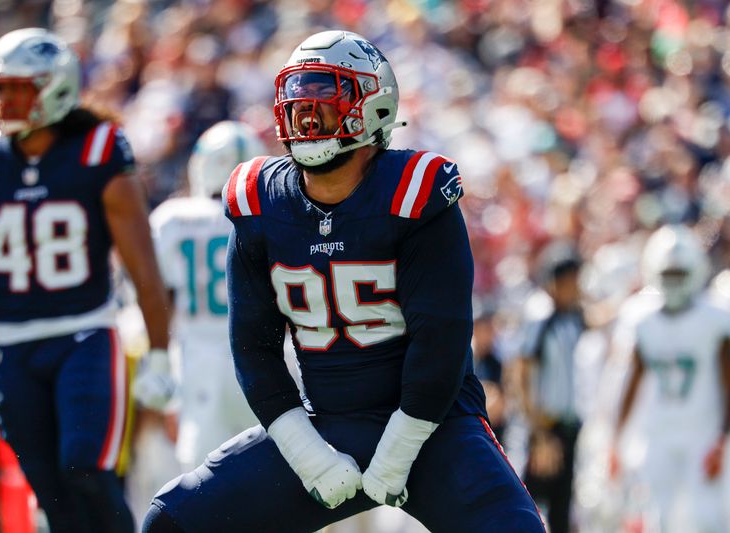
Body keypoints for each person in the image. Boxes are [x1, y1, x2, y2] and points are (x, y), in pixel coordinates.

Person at [144, 30, 544, 533]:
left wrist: (398, 451)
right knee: (171, 522)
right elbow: (253, 349)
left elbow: (441, 342)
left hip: (436, 427)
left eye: (324, 101)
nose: (307, 117)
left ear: (372, 108)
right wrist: (308, 454)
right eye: (298, 102)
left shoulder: (416, 192)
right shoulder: (260, 201)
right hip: (326, 425)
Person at [0, 28, 175, 533]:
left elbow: (142, 266)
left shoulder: (98, 151)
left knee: (84, 466)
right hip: (16, 346)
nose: (2, 100)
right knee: (48, 490)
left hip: (85, 336)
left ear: (56, 88)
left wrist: (158, 350)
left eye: (17, 88)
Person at [149, 121, 263, 471]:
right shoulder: (269, 216)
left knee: (206, 477)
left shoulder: (173, 219)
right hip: (263, 360)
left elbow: (158, 300)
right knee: (272, 474)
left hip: (199, 362)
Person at [610, 224, 730, 532]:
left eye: (679, 275)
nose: (674, 283)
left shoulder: (715, 319)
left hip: (702, 430)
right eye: (668, 275)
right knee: (657, 517)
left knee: (708, 518)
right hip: (659, 429)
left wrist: (722, 437)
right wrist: (616, 437)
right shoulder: (642, 318)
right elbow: (632, 382)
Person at [515, 240, 587, 533]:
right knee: (529, 506)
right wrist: (539, 434)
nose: (575, 288)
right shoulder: (540, 317)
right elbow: (521, 376)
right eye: (570, 281)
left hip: (569, 426)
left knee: (562, 511)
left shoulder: (574, 316)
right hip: (546, 427)